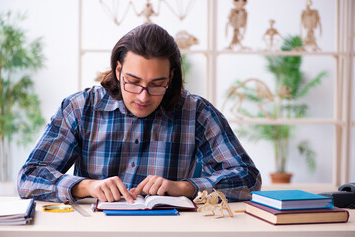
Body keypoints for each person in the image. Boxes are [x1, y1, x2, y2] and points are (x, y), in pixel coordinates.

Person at [17, 23, 261, 203]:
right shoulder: (80, 108)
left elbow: (248, 178)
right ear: (118, 69)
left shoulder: (197, 113)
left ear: (171, 77)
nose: (143, 96)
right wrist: (86, 186)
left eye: (156, 84)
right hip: (94, 231)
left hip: (171, 232)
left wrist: (185, 187)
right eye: (133, 81)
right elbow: (29, 177)